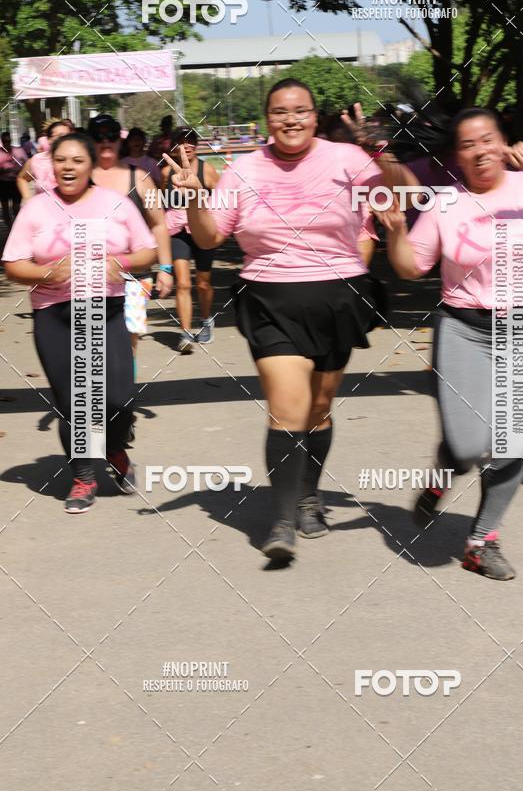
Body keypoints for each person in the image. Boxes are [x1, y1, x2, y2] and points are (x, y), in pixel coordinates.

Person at [163, 78, 413, 561]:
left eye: (300, 110)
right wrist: (194, 197)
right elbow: (211, 237)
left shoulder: (347, 158)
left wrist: (379, 150)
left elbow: (399, 193)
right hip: (269, 299)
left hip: (338, 296)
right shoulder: (243, 169)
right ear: (267, 119)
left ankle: (308, 495)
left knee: (318, 409)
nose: (290, 119)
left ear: (315, 117)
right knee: (286, 409)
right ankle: (281, 523)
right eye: (279, 111)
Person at [383, 107, 523, 580]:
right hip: (463, 328)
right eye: (467, 145)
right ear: (456, 157)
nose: (480, 151)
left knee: (509, 445)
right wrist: (396, 229)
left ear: (503, 142)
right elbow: (409, 268)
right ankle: (444, 474)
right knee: (465, 446)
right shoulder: (445, 204)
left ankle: (481, 542)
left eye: (488, 140)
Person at [2, 132, 157, 512]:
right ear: (50, 165)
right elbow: (12, 263)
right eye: (61, 160)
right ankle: (83, 477)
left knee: (118, 400)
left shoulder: (115, 203)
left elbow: (147, 251)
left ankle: (116, 447)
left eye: (77, 160)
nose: (68, 167)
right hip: (55, 315)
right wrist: (47, 273)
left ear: (91, 165)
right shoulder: (36, 208)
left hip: (108, 309)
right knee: (76, 402)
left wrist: (119, 264)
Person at [88, 114, 173, 363]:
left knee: (129, 335)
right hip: (89, 274)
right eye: (98, 136)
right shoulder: (80, 177)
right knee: (94, 339)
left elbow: (158, 224)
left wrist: (166, 268)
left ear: (119, 140)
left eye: (111, 135)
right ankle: (101, 394)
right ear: (90, 140)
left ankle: (124, 393)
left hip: (136, 274)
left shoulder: (140, 178)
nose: (105, 141)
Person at [162, 127, 219, 351]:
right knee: (183, 283)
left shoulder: (208, 170)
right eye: (182, 142)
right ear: (174, 146)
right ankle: (185, 333)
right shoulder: (167, 173)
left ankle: (206, 320)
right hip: (178, 232)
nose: (188, 146)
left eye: (192, 141)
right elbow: (161, 200)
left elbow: (223, 198)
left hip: (202, 231)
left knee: (203, 284)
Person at [17, 119, 74, 201]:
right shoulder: (37, 160)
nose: (65, 140)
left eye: (69, 136)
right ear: (49, 139)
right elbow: (22, 178)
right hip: (44, 211)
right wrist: (28, 200)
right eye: (61, 136)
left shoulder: (78, 159)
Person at [0, 131, 27, 229]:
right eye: (5, 141)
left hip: (16, 183)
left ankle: (16, 228)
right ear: (2, 141)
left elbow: (26, 165)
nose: (7, 143)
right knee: (6, 209)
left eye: (9, 141)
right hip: (3, 183)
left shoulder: (18, 151)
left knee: (16, 208)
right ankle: (9, 228)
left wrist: (20, 167)